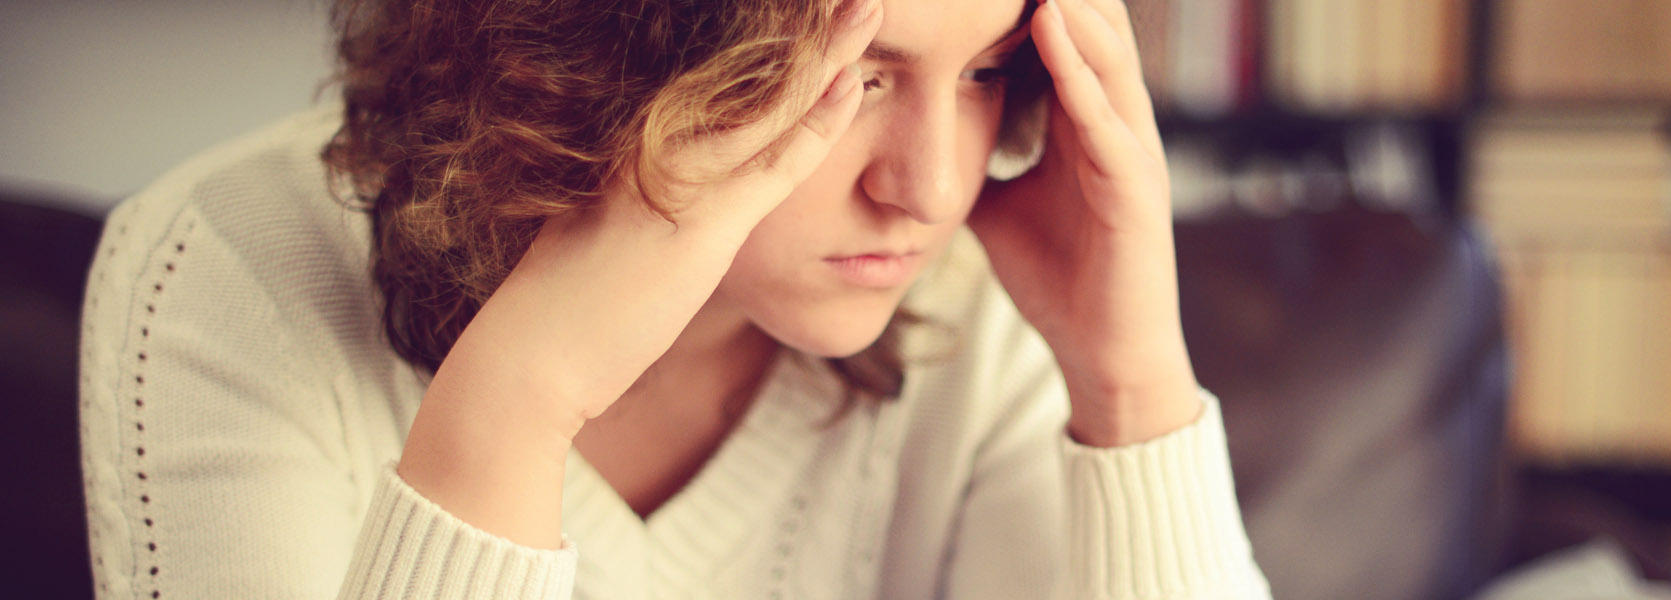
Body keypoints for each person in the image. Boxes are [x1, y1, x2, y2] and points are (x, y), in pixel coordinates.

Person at [78, 0, 1270, 597]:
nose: (933, 187)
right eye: (854, 76)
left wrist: (1129, 377)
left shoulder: (976, 291)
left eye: (983, 75)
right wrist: (515, 407)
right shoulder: (229, 267)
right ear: (626, 47)